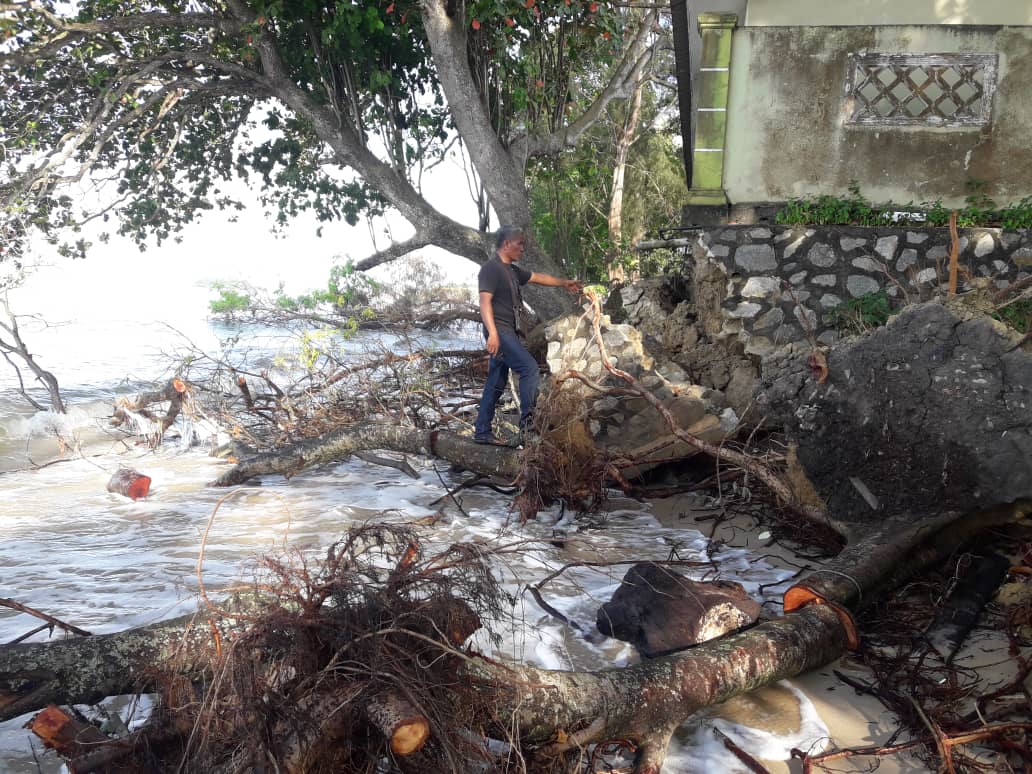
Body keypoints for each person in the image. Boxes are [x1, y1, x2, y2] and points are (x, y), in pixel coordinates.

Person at [473, 226, 581, 445]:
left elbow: (538, 277)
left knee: (496, 381)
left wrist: (564, 283)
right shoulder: (490, 269)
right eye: (520, 243)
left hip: (508, 331)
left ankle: (482, 432)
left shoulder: (512, 270)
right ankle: (527, 428)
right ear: (506, 244)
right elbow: (484, 302)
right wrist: (492, 334)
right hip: (500, 330)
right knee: (529, 368)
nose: (523, 248)